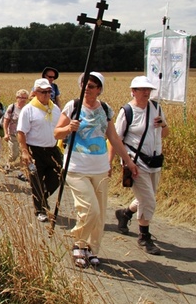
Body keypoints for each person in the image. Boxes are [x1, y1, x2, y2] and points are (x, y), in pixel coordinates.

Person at [54, 72, 139, 268]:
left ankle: (91, 249)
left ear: (99, 89)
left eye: (91, 86)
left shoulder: (106, 109)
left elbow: (114, 138)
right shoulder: (73, 106)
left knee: (99, 213)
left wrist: (128, 161)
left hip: (100, 167)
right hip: (76, 166)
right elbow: (56, 132)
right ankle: (78, 242)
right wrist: (68, 129)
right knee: (89, 209)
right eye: (84, 85)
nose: (87, 89)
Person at [113, 76, 169, 255]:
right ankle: (144, 237)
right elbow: (116, 138)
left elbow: (165, 133)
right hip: (135, 162)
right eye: (142, 89)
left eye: (148, 89)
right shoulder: (127, 111)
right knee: (148, 200)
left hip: (155, 161)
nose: (146, 92)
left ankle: (125, 213)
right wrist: (115, 162)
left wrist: (163, 124)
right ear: (133, 91)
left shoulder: (156, 108)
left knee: (147, 196)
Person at [17, 78, 61, 224]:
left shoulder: (55, 109)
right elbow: (21, 132)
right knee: (36, 180)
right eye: (43, 92)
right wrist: (24, 151)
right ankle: (40, 209)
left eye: (49, 92)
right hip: (34, 150)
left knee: (57, 177)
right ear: (35, 93)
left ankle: (41, 199)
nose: (47, 94)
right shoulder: (28, 109)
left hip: (53, 150)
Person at [3, 89, 29, 171]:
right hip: (13, 134)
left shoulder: (28, 108)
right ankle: (8, 164)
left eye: (25, 98)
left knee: (23, 154)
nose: (23, 100)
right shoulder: (12, 107)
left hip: (24, 135)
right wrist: (6, 133)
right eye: (21, 97)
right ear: (17, 97)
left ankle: (22, 171)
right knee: (14, 153)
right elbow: (6, 121)